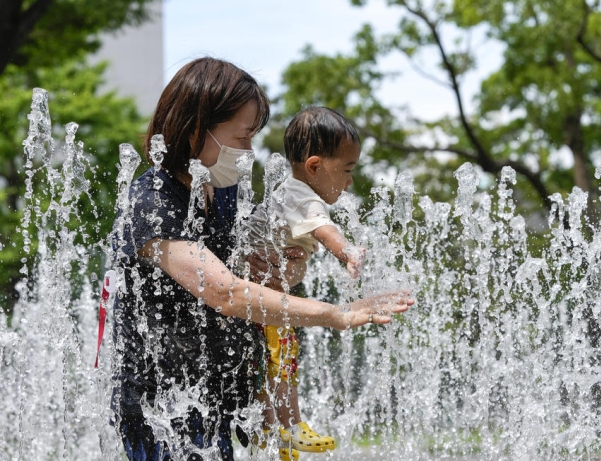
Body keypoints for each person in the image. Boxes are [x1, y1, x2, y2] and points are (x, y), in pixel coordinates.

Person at [109, 56, 413, 461]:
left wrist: (287, 268)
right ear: (197, 129)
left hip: (214, 400)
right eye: (241, 137)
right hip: (163, 407)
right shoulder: (151, 202)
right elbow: (225, 292)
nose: (250, 150)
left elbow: (262, 275)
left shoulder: (223, 193)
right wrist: (335, 314)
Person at [236, 107, 366, 456]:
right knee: (283, 361)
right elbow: (327, 232)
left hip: (257, 299)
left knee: (270, 364)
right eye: (347, 170)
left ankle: (269, 431)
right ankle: (291, 426)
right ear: (314, 166)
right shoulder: (302, 196)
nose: (350, 182)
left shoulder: (290, 192)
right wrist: (348, 253)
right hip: (264, 300)